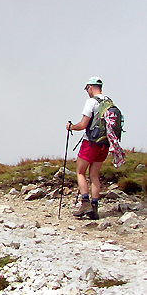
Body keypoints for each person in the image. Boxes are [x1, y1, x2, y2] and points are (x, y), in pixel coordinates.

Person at [66, 77, 109, 220]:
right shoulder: (109, 102)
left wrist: (71, 127)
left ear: (90, 87)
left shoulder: (91, 102)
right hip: (105, 144)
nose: (87, 92)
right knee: (94, 175)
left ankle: (85, 203)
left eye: (87, 89)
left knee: (80, 172)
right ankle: (94, 208)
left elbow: (83, 125)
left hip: (90, 143)